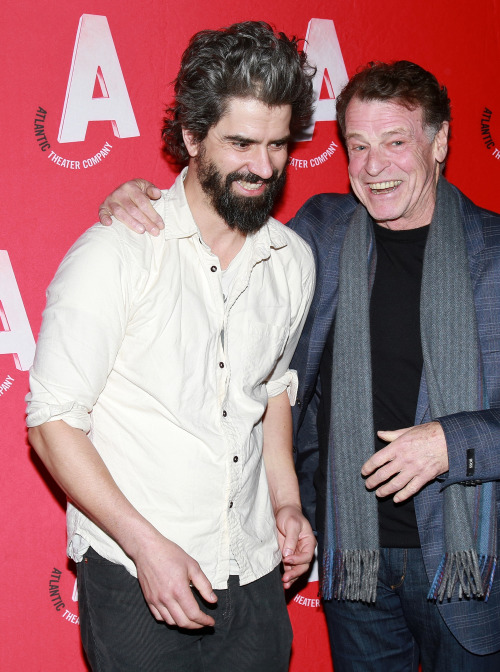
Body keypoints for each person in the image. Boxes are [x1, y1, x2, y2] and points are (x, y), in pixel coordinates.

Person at [102, 61, 500, 671]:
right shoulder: (322, 230)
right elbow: (222, 236)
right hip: (353, 559)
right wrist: (147, 202)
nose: (374, 166)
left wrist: (454, 441)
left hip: (467, 559)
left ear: (440, 140)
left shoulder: (493, 254)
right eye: (358, 146)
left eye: (396, 142)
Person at [26, 21, 317, 672]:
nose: (263, 167)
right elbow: (51, 423)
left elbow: (269, 394)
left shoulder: (293, 262)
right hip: (138, 580)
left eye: (277, 145)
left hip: (255, 577)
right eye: (240, 142)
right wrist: (145, 548)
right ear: (191, 135)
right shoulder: (118, 253)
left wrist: (287, 504)